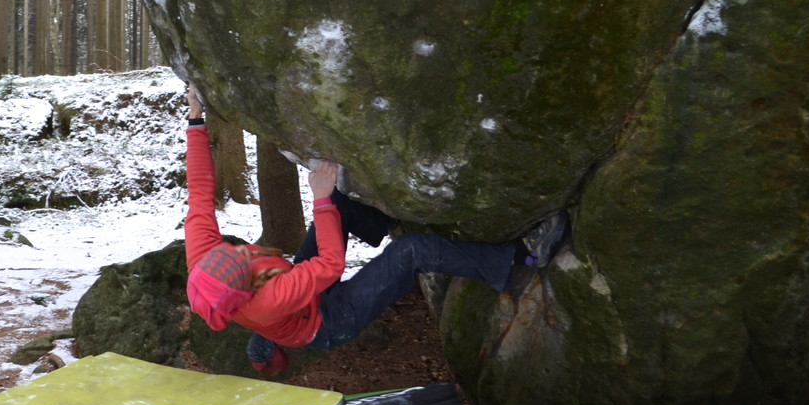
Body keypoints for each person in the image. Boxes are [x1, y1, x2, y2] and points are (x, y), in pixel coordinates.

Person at [181, 86, 567, 375]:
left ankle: (393, 214)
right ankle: (521, 257)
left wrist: (196, 118)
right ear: (248, 287)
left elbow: (199, 192)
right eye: (242, 261)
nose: (242, 250)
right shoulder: (268, 300)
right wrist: (320, 199)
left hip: (289, 302)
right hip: (329, 321)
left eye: (233, 250)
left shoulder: (204, 258)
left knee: (342, 205)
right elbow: (330, 266)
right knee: (412, 251)